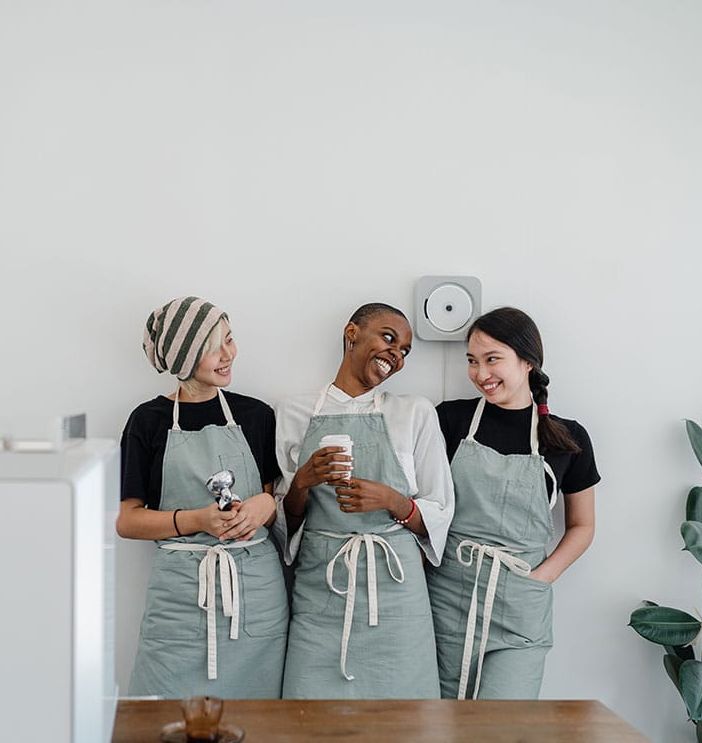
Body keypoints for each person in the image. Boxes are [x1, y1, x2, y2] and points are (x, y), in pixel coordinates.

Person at [275, 302, 454, 699]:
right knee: (309, 716)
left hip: (396, 592)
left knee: (405, 721)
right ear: (352, 333)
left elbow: (440, 510)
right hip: (323, 588)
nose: (396, 354)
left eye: (405, 350)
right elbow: (286, 522)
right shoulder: (294, 411)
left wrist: (394, 501)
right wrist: (303, 481)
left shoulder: (415, 412)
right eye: (389, 338)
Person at [117, 296, 288, 699]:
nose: (229, 354)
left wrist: (266, 507)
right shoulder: (148, 421)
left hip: (255, 595)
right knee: (161, 718)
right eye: (215, 347)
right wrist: (198, 520)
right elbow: (128, 520)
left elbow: (276, 494)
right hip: (179, 599)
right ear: (184, 357)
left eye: (230, 340)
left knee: (257, 719)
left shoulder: (257, 415)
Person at [427, 306, 599, 700]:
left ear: (527, 362)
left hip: (520, 603)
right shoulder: (448, 420)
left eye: (492, 359)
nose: (480, 374)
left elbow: (582, 526)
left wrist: (540, 579)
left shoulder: (567, 439)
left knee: (504, 728)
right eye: (472, 361)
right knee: (435, 724)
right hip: (446, 597)